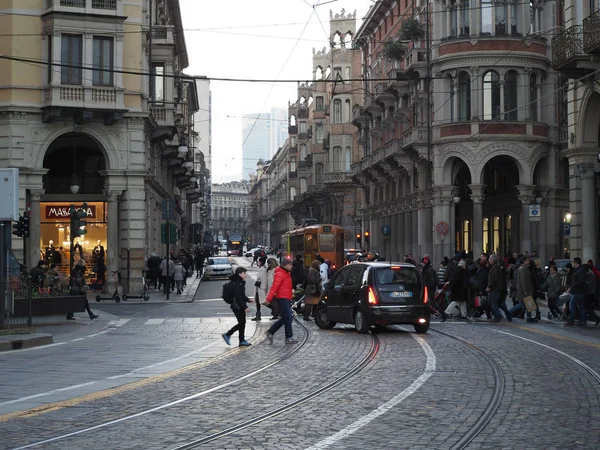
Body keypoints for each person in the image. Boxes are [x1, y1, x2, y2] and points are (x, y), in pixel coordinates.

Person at [265, 257, 297, 344]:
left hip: (285, 297)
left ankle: (271, 332)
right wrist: (268, 299)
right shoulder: (280, 274)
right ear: (285, 265)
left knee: (285, 318)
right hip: (282, 298)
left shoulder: (286, 273)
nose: (291, 266)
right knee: (288, 317)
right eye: (290, 264)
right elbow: (274, 287)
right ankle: (288, 337)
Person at [222, 267, 252, 347]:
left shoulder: (238, 282)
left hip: (237, 305)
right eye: (244, 273)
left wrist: (248, 300)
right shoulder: (238, 283)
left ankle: (241, 340)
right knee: (242, 323)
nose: (246, 275)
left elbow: (241, 296)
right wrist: (245, 307)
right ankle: (228, 334)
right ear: (239, 274)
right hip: (237, 306)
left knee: (242, 323)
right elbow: (238, 297)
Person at [486, 254, 511, 322]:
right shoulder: (495, 266)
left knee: (494, 303)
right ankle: (500, 315)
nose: (489, 260)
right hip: (495, 288)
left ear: (493, 260)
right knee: (494, 303)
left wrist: (489, 286)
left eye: (490, 259)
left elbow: (494, 279)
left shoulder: (495, 267)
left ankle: (498, 317)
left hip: (495, 288)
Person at [253, 256, 268, 321]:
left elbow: (264, 279)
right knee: (258, 301)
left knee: (263, 302)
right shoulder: (261, 268)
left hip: (261, 288)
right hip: (258, 288)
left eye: (259, 261)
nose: (258, 263)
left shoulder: (263, 269)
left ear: (261, 262)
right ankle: (258, 315)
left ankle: (276, 311)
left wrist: (262, 286)